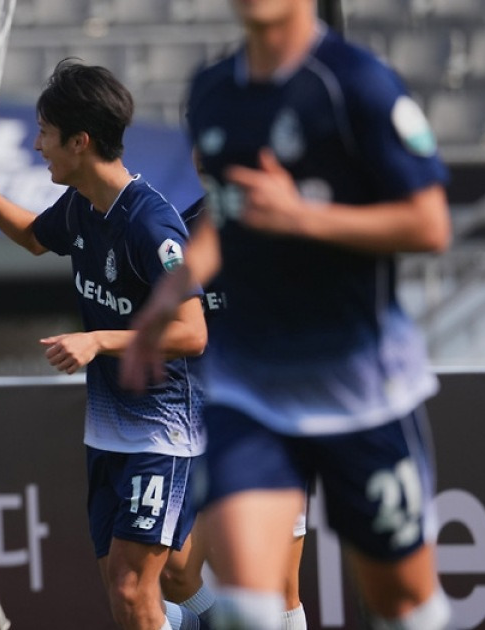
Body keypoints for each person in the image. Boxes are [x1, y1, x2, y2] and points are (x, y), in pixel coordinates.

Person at [120, 0, 453, 627]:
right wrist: (169, 295)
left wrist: (304, 216)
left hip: (363, 389)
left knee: (404, 606)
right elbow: (228, 211)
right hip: (253, 392)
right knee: (250, 608)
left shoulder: (356, 83)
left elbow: (430, 224)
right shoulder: (214, 90)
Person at [0, 60, 208, 630]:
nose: (37, 145)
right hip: (109, 432)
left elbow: (192, 331)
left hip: (161, 430)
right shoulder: (84, 206)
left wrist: (98, 339)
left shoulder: (150, 226)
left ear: (79, 141)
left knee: (133, 591)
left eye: (44, 133)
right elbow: (34, 238)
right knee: (164, 582)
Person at [156, 196, 309, 630]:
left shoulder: (284, 214)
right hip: (205, 423)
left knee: (278, 585)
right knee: (177, 572)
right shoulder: (183, 227)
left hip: (274, 423)